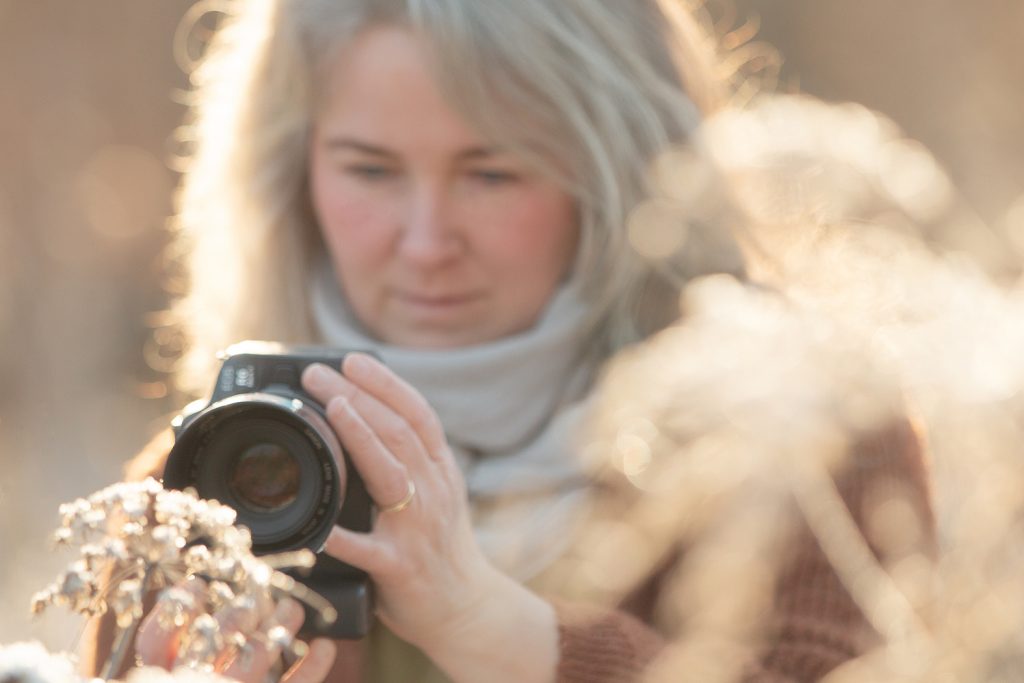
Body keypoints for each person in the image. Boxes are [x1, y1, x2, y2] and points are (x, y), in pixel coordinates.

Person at [83, 0, 935, 681]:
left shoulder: (808, 432)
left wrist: (484, 621)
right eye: (369, 169)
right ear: (292, 176)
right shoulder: (221, 474)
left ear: (617, 176)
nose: (424, 240)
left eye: (492, 173)